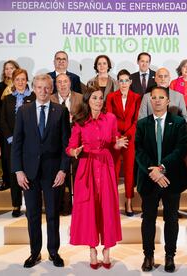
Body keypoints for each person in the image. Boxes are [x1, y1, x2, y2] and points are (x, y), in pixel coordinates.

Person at [11, 74, 70, 268]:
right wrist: (18, 171)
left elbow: (65, 145)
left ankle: (54, 252)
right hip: (29, 173)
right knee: (33, 215)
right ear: (33, 89)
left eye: (46, 88)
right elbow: (17, 144)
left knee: (53, 214)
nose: (43, 91)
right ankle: (34, 252)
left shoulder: (60, 111)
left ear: (51, 89)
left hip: (54, 173)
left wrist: (63, 170)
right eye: (39, 87)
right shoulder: (23, 111)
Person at [66, 86, 127, 269]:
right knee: (89, 209)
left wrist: (117, 144)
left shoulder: (110, 118)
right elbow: (70, 147)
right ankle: (92, 249)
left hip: (106, 166)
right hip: (86, 167)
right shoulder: (80, 121)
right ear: (87, 100)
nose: (99, 101)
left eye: (101, 98)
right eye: (95, 98)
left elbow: (114, 141)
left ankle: (107, 250)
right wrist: (74, 151)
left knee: (107, 207)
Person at [135, 86, 187, 272]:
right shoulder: (142, 124)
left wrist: (162, 168)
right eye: (154, 97)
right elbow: (139, 151)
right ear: (150, 101)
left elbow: (180, 149)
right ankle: (148, 255)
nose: (157, 100)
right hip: (149, 179)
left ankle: (169, 256)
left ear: (168, 101)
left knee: (171, 219)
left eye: (161, 97)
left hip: (171, 179)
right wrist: (155, 172)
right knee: (148, 219)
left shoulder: (179, 122)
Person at [106, 69, 141, 216]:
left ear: (130, 82)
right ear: (117, 82)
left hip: (130, 139)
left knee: (129, 171)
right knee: (113, 170)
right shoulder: (111, 97)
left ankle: (128, 201)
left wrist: (126, 136)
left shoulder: (137, 97)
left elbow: (136, 119)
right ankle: (112, 202)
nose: (124, 83)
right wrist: (117, 138)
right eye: (121, 80)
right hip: (115, 139)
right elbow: (109, 118)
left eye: (126, 80)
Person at [0, 68, 35, 217]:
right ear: (13, 81)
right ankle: (16, 205)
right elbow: (3, 121)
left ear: (27, 80)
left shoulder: (34, 97)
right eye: (17, 79)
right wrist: (10, 138)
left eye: (23, 79)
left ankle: (31, 204)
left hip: (30, 143)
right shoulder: (7, 99)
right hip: (12, 144)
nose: (20, 82)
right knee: (15, 174)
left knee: (30, 173)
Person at [50, 73, 83, 215]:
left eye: (65, 82)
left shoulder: (80, 98)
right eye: (59, 82)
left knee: (75, 175)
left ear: (70, 83)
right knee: (59, 173)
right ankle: (62, 204)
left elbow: (85, 117)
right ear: (55, 85)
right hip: (56, 143)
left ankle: (78, 204)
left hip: (76, 143)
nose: (62, 85)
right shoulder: (50, 99)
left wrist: (74, 119)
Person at [0, 60, 21, 192]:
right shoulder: (0, 86)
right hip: (4, 125)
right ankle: (6, 180)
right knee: (5, 156)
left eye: (12, 68)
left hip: (18, 126)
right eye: (6, 68)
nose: (9, 70)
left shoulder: (21, 86)